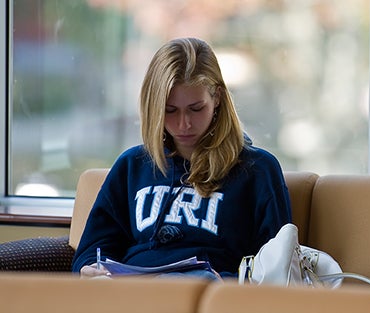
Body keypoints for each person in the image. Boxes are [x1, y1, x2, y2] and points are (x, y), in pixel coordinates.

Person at [71, 37, 292, 279]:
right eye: (169, 110)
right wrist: (91, 270)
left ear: (217, 97)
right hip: (134, 292)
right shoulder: (131, 166)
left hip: (211, 294)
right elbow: (92, 252)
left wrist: (227, 285)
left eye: (196, 109)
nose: (183, 124)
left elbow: (274, 268)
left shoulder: (257, 170)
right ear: (153, 106)